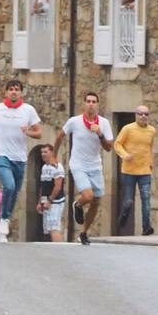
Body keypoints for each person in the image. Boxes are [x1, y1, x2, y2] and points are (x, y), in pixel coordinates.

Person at [0, 80, 42, 242]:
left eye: (17, 89)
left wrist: (29, 132)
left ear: (21, 93)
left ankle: (4, 220)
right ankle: (3, 219)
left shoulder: (28, 110)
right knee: (8, 186)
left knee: (15, 191)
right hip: (2, 155)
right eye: (11, 89)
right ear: (6, 92)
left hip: (20, 158)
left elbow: (39, 133)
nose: (14, 92)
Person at [58, 92, 113, 246]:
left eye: (94, 101)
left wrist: (100, 134)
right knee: (88, 196)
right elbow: (60, 136)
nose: (91, 104)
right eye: (88, 101)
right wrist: (55, 156)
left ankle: (84, 233)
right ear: (84, 104)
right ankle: (78, 204)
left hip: (95, 165)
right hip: (78, 164)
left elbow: (109, 148)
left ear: (98, 104)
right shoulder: (74, 122)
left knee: (96, 201)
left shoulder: (103, 123)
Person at [114, 104, 157, 236]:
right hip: (128, 171)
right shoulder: (128, 129)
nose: (143, 116)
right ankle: (124, 216)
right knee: (128, 201)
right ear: (136, 115)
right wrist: (125, 155)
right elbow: (117, 144)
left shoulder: (152, 131)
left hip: (144, 171)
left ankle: (146, 227)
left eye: (146, 114)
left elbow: (149, 148)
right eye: (140, 114)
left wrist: (151, 163)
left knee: (146, 199)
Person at [36, 144, 66, 243]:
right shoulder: (44, 167)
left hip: (56, 202)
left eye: (45, 152)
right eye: (42, 152)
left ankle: (60, 250)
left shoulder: (58, 167)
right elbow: (43, 186)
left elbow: (58, 186)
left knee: (54, 228)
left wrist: (50, 200)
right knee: (48, 229)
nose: (43, 154)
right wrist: (40, 202)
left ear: (52, 153)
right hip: (46, 202)